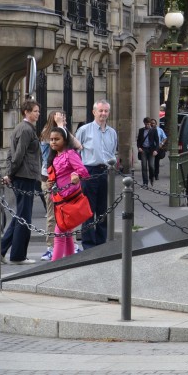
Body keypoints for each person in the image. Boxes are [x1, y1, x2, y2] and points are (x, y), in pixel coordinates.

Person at [0, 100, 41, 265]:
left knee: (20, 216)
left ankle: (3, 251)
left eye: (38, 111)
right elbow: (18, 155)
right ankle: (17, 255)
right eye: (35, 111)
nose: (38, 114)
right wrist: (9, 173)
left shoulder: (23, 128)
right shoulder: (25, 129)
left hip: (25, 175)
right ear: (26, 112)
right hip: (25, 176)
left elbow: (11, 153)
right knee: (24, 217)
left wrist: (10, 172)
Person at [38, 111, 82, 261]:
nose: (64, 121)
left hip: (65, 181)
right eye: (61, 119)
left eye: (64, 118)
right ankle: (51, 247)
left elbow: (78, 145)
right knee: (52, 215)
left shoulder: (63, 133)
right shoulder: (47, 134)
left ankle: (72, 245)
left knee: (69, 213)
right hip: (50, 179)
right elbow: (55, 146)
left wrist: (63, 127)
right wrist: (60, 127)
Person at [75, 99, 118, 248]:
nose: (103, 114)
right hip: (89, 171)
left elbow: (112, 153)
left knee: (102, 209)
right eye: (100, 111)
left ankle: (101, 242)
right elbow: (75, 152)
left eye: (106, 111)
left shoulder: (112, 132)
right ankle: (88, 243)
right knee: (88, 209)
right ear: (94, 112)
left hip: (105, 172)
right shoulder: (84, 130)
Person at [47, 127, 90, 261]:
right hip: (59, 199)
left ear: (65, 140)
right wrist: (50, 183)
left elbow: (83, 171)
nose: (53, 142)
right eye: (51, 139)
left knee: (60, 232)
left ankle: (54, 265)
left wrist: (76, 175)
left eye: (56, 139)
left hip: (70, 197)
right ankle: (70, 261)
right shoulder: (54, 156)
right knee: (66, 231)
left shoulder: (70, 154)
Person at [136, 116, 159, 187]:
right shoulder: (141, 130)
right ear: (144, 124)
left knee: (151, 166)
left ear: (150, 124)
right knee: (144, 166)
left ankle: (151, 178)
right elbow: (138, 141)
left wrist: (156, 150)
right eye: (146, 124)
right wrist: (139, 147)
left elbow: (157, 141)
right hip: (143, 150)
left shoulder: (154, 130)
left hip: (151, 150)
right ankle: (145, 182)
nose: (147, 126)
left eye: (148, 124)